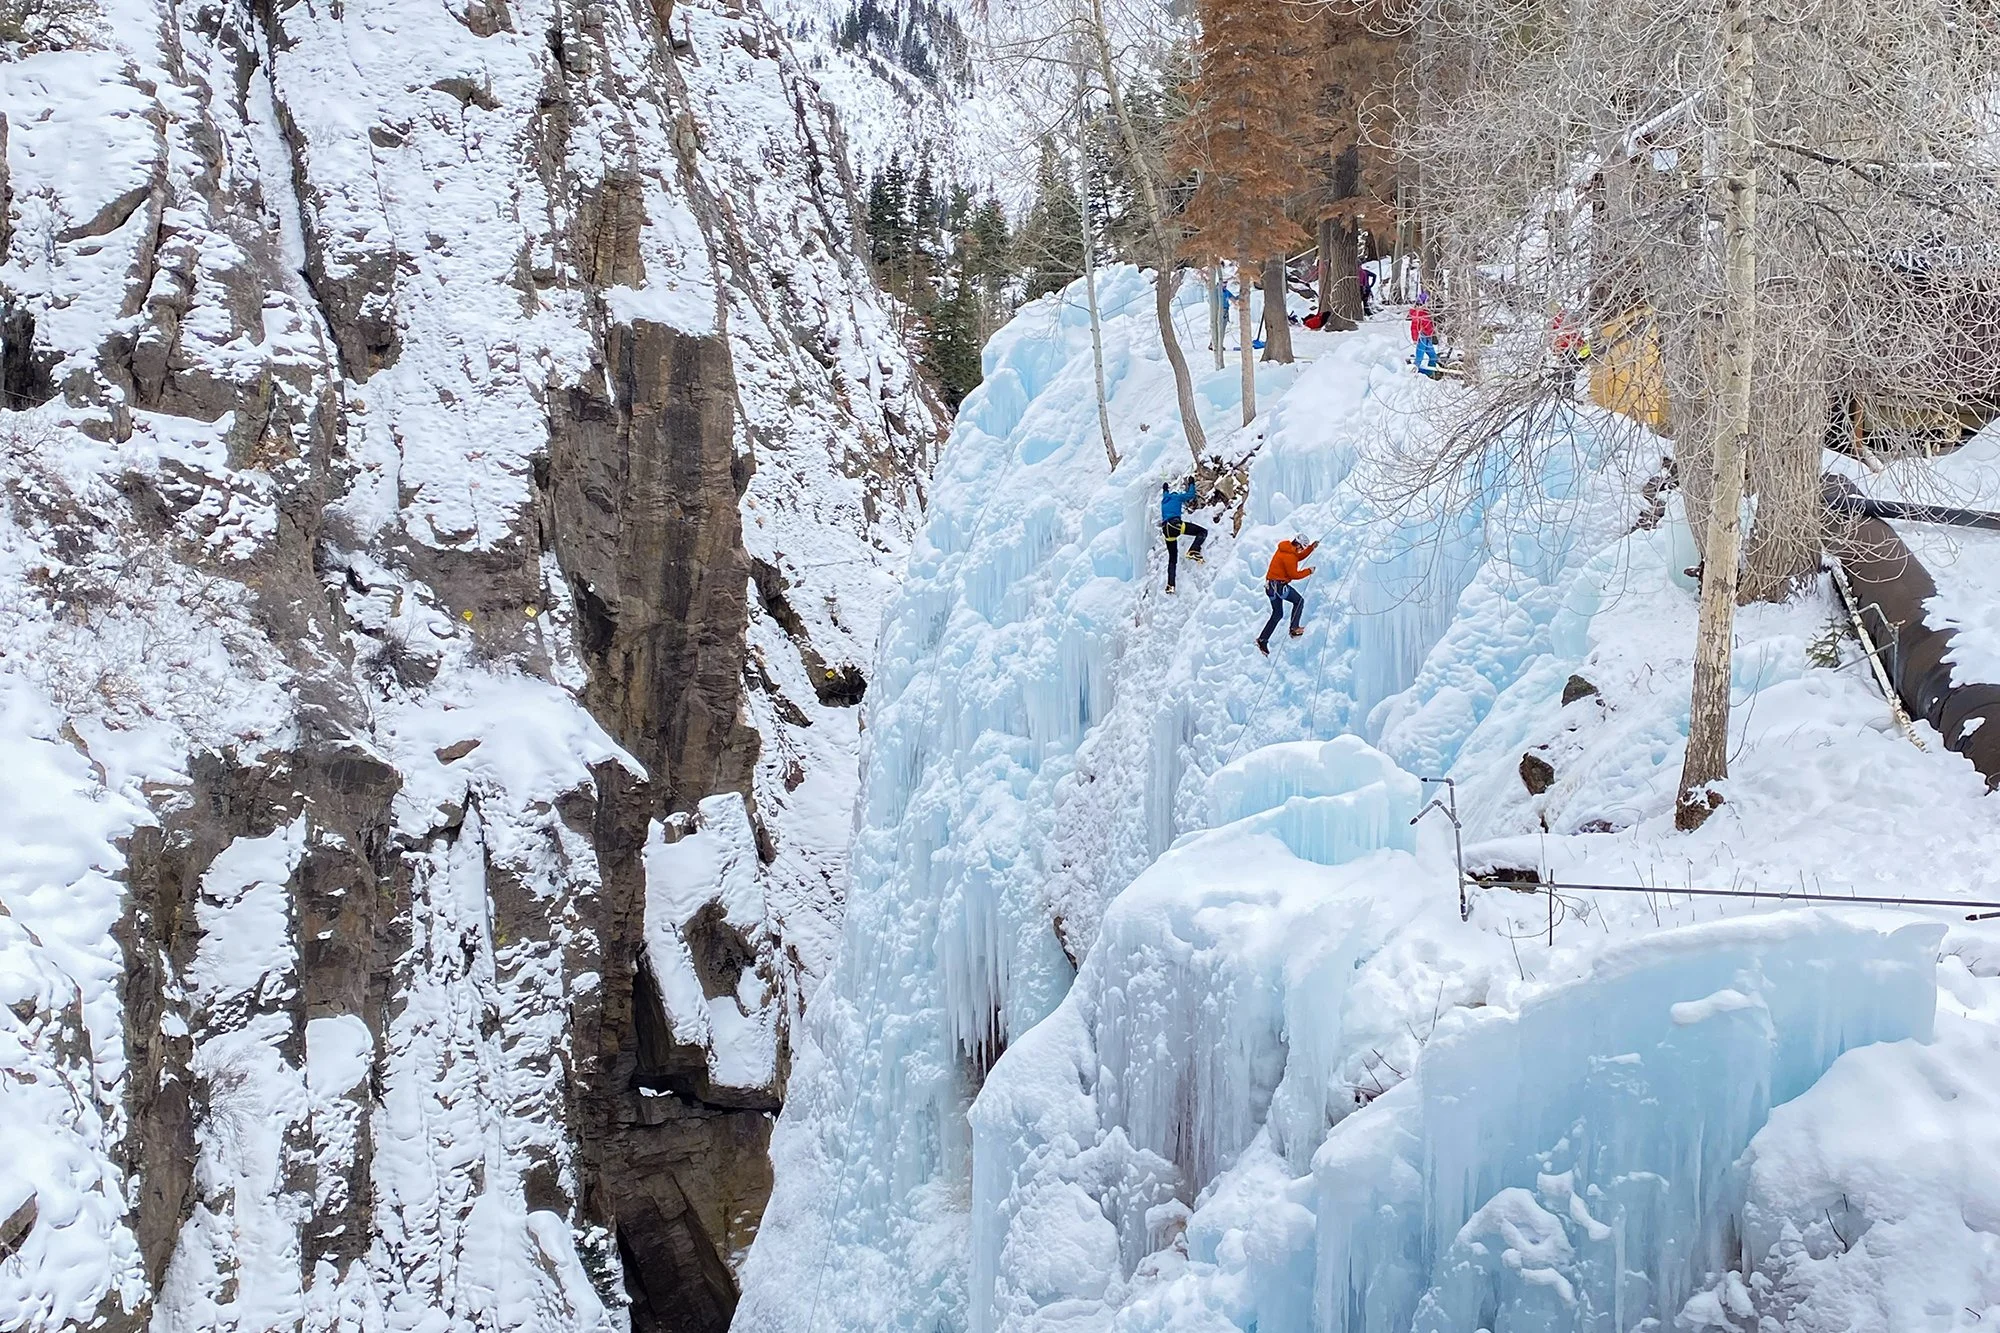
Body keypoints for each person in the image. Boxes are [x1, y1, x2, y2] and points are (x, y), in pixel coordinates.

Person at [1256, 533, 1318, 654]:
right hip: (1279, 587)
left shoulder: (1287, 550)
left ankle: (1262, 639)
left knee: (1277, 614)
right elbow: (1294, 575)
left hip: (1270, 587)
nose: (1301, 551)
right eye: (1303, 548)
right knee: (1299, 601)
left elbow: (1298, 557)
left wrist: (1311, 548)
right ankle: (1294, 628)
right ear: (1299, 546)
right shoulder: (1289, 556)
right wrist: (1309, 571)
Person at [1161, 478, 1208, 592]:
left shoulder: (1164, 500)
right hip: (1175, 525)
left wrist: (1165, 488)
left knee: (1172, 559)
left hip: (1166, 530)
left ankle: (1170, 585)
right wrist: (1191, 483)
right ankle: (1193, 550)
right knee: (1202, 532)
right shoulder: (1177, 497)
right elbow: (1190, 495)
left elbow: (1165, 493)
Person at [1409, 295, 1438, 376]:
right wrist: (1415, 338)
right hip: (1421, 337)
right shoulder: (1418, 313)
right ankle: (1413, 372)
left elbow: (1429, 326)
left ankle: (1430, 373)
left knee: (1433, 356)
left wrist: (1432, 334)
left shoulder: (1425, 312)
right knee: (1419, 357)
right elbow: (1414, 327)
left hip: (1427, 337)